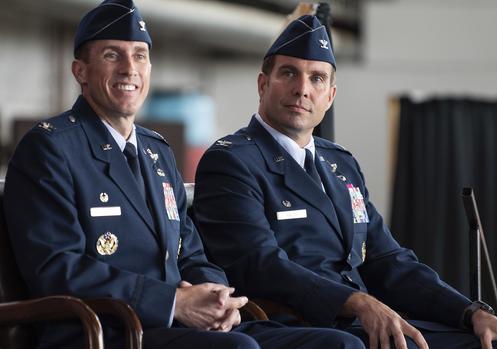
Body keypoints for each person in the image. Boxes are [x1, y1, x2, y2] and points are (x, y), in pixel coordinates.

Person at [2, 2, 365, 348]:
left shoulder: (155, 151)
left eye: (140, 55)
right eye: (112, 54)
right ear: (80, 70)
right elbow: (58, 267)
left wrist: (216, 295)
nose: (130, 68)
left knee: (338, 342)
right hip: (107, 331)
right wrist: (173, 302)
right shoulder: (51, 148)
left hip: (175, 325)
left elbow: (190, 253)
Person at [193, 15, 497, 349]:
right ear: (262, 83)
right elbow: (260, 265)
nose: (302, 89)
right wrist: (357, 302)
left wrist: (471, 312)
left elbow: (387, 260)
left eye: (317, 78)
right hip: (300, 323)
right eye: (289, 73)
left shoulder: (340, 164)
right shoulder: (232, 160)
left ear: (330, 96)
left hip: (361, 320)